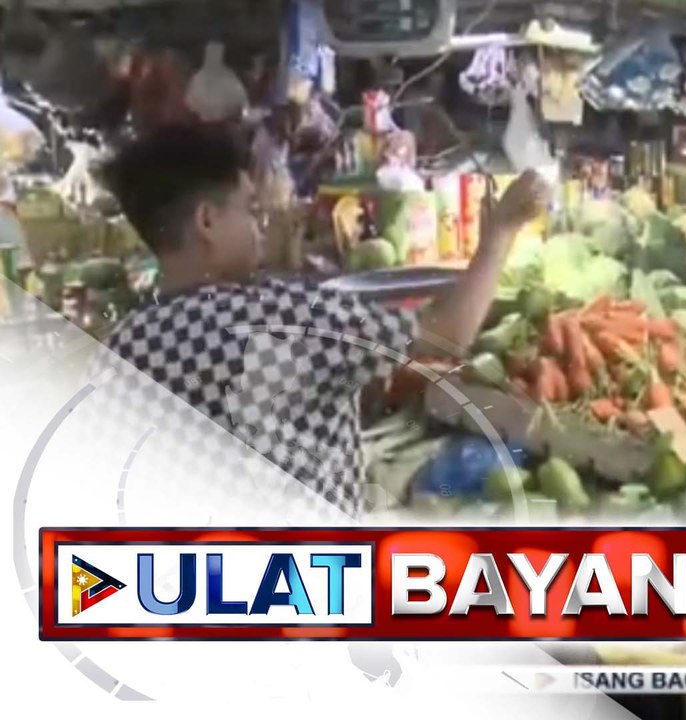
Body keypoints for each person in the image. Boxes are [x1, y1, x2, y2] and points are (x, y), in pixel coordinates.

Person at [94, 125, 549, 515]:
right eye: (251, 211)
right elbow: (446, 335)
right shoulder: (280, 317)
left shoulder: (119, 350)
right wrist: (501, 231)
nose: (262, 226)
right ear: (208, 222)